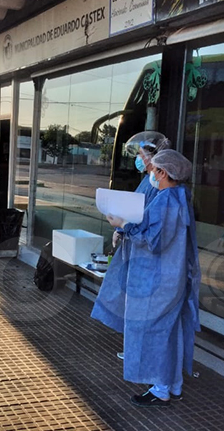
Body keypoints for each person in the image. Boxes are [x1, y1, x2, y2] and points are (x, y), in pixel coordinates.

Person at [93, 149, 201, 408]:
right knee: (169, 332)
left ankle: (161, 388)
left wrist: (122, 225)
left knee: (153, 333)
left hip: (158, 282)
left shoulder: (165, 201)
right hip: (172, 279)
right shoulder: (181, 197)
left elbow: (153, 239)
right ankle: (172, 385)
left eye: (153, 169)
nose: (150, 172)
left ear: (163, 172)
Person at [91, 131, 172, 359]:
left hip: (146, 254)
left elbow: (147, 220)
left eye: (140, 154)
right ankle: (136, 349)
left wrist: (124, 226)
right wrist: (120, 228)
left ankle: (141, 353)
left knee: (142, 305)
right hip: (136, 249)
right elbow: (136, 211)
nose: (138, 159)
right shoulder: (149, 181)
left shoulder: (160, 187)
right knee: (133, 302)